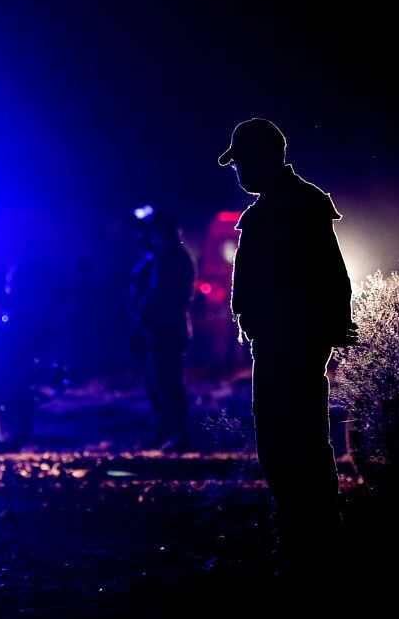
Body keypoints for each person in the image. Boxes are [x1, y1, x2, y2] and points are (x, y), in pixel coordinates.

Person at [217, 118, 356, 573]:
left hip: (290, 341)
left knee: (294, 440)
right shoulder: (286, 204)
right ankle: (306, 539)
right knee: (287, 439)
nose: (238, 172)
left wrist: (326, 327)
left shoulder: (295, 205)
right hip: (283, 340)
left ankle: (311, 544)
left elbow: (330, 274)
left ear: (263, 157)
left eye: (241, 162)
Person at [129, 206, 196, 452]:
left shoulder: (172, 258)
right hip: (162, 328)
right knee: (158, 381)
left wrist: (142, 310)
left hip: (167, 328)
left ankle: (178, 434)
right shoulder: (164, 257)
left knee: (168, 382)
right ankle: (167, 432)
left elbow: (160, 294)